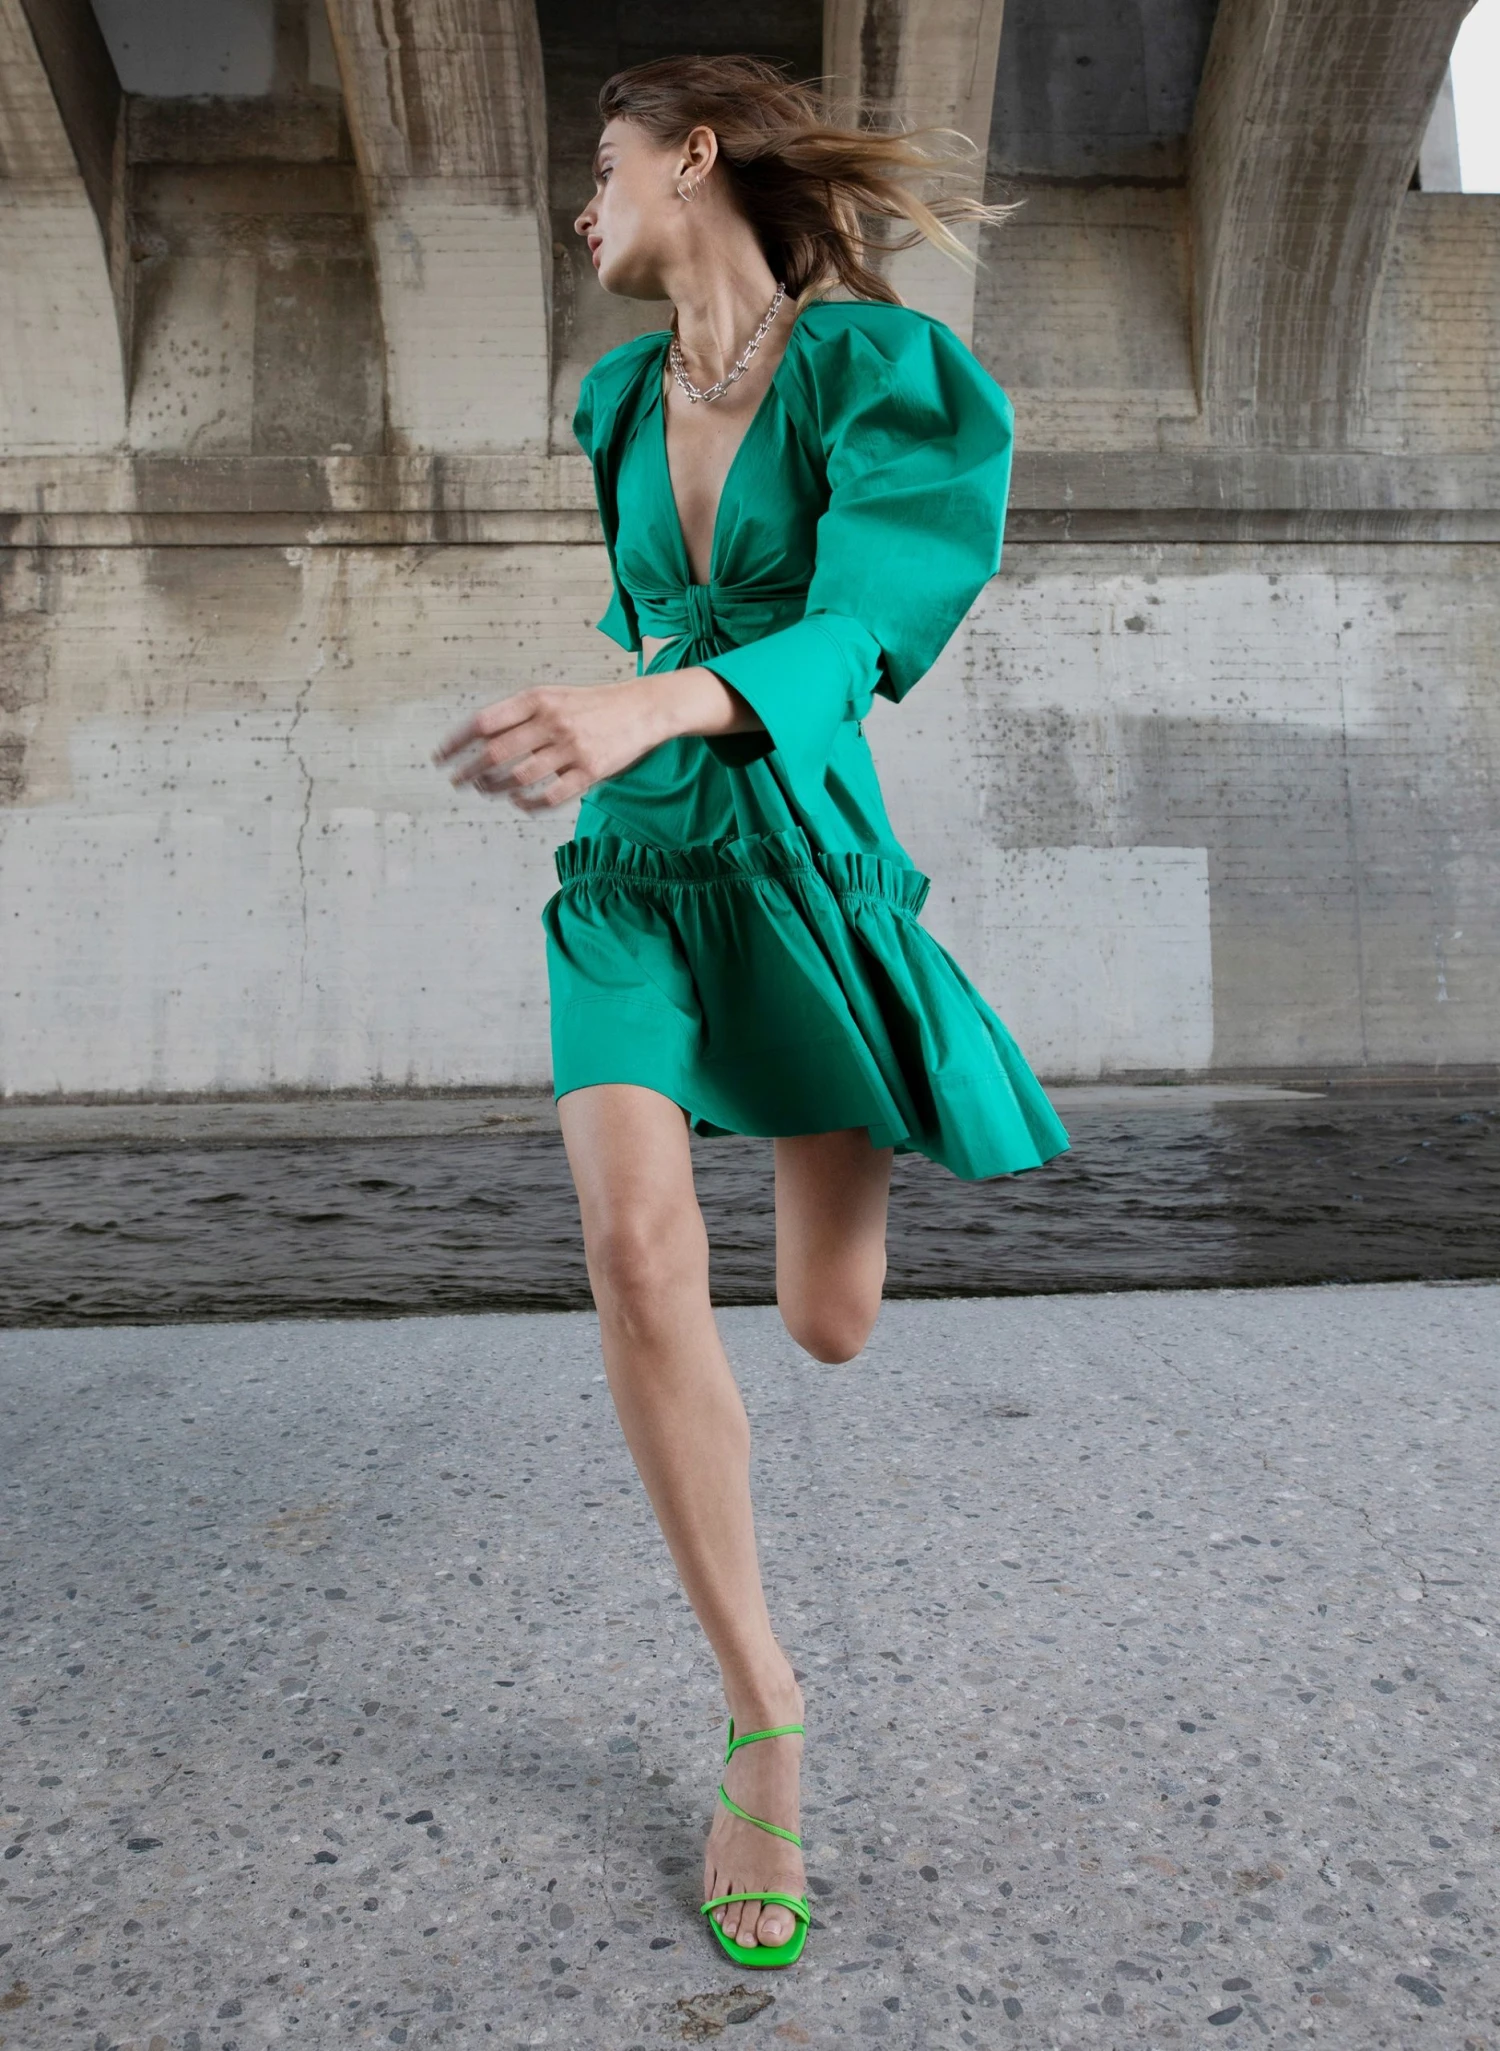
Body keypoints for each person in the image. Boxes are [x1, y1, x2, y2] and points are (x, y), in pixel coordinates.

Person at [434, 53, 1070, 1970]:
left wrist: (643, 701)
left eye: (603, 164)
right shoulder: (616, 400)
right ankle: (763, 1713)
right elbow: (658, 624)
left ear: (692, 156)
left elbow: (858, 634)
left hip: (802, 861)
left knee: (826, 1319)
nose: (582, 204)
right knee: (635, 1253)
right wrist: (596, 725)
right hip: (638, 872)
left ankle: (860, 1063)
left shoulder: (881, 373)